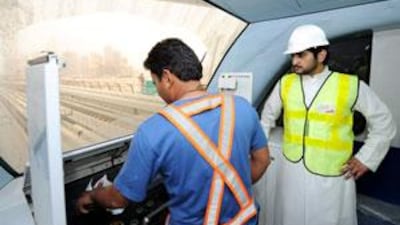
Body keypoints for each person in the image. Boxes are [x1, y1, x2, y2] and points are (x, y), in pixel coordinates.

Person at [76, 38, 270, 225]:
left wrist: (92, 195)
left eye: (156, 82)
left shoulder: (153, 130)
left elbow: (117, 200)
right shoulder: (242, 107)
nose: (159, 91)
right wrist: (230, 190)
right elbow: (262, 160)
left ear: (167, 78)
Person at [259, 24, 396, 225]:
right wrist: (261, 150)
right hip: (292, 171)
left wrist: (366, 158)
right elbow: (267, 118)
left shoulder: (350, 85)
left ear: (321, 55)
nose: (294, 61)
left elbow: (385, 123)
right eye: (293, 56)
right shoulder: (285, 83)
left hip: (332, 176)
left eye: (301, 55)